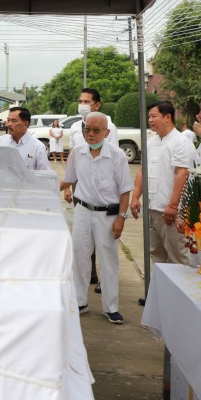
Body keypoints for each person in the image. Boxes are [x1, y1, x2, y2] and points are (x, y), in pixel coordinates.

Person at [59, 112, 134, 324]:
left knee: (108, 260)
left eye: (95, 130)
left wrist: (121, 218)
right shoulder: (77, 152)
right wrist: (44, 188)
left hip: (107, 215)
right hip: (82, 211)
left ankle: (111, 307)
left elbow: (125, 190)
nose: (90, 134)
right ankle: (80, 301)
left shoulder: (117, 156)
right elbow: (68, 180)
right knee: (80, 257)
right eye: (87, 130)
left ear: (106, 133)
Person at [130, 101, 194, 271]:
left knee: (176, 257)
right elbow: (142, 171)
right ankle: (160, 288)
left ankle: (178, 289)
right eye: (149, 116)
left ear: (167, 117)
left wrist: (173, 206)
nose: (150, 120)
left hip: (170, 212)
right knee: (156, 255)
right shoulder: (151, 142)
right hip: (151, 208)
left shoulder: (181, 142)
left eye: (154, 116)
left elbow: (182, 174)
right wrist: (135, 197)